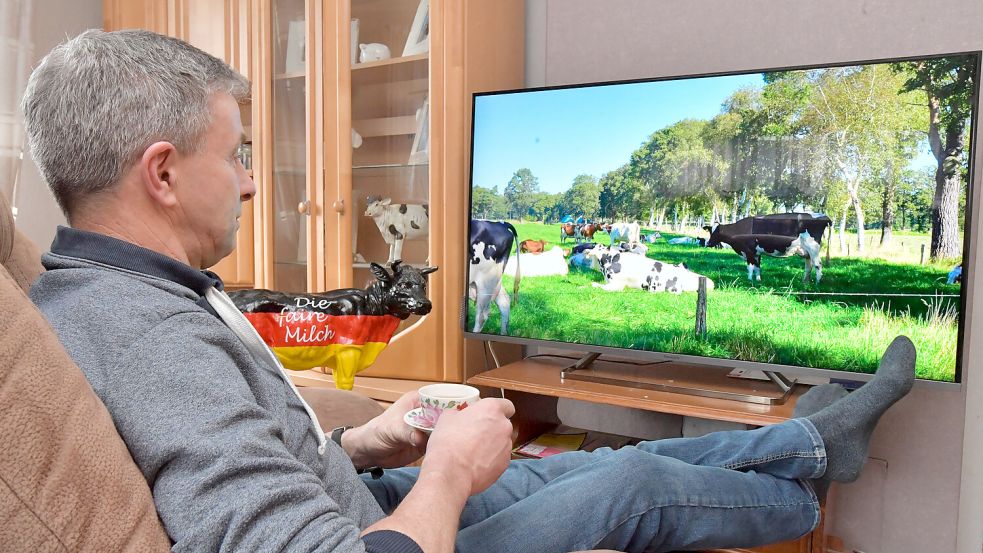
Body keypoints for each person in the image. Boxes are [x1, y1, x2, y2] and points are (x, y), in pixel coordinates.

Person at [24, 29, 916, 553]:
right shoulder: (145, 337)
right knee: (631, 480)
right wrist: (447, 470)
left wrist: (366, 441)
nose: (254, 182)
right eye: (238, 153)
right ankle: (808, 473)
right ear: (164, 174)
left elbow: (237, 452)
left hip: (364, 497)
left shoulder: (116, 290)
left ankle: (808, 443)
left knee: (585, 462)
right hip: (395, 535)